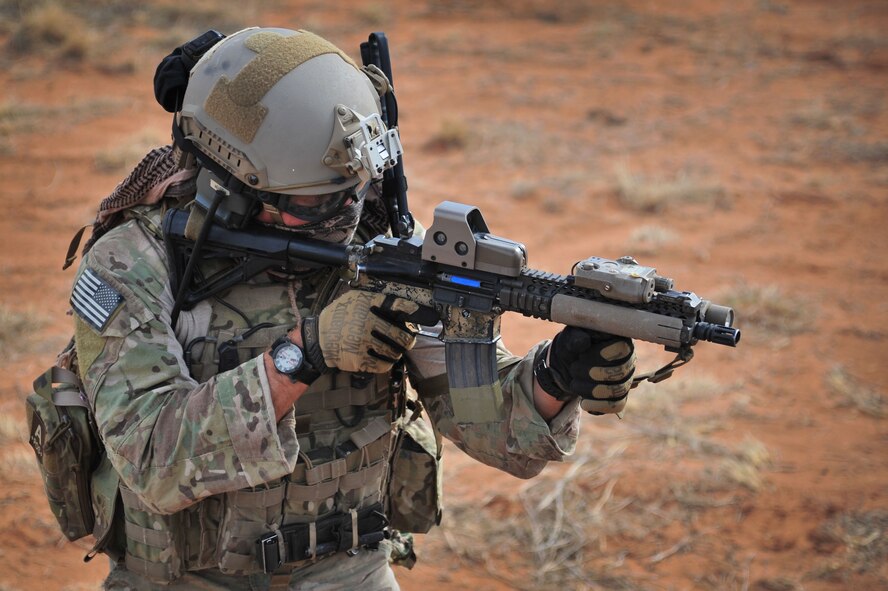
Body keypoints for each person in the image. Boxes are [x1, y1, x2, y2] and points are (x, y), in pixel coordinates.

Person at [69, 27, 637, 590]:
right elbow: (150, 460)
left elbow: (490, 428)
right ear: (234, 186)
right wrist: (305, 352)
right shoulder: (134, 262)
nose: (344, 214)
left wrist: (555, 377)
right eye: (317, 200)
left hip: (349, 571)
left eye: (355, 188)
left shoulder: (374, 244)